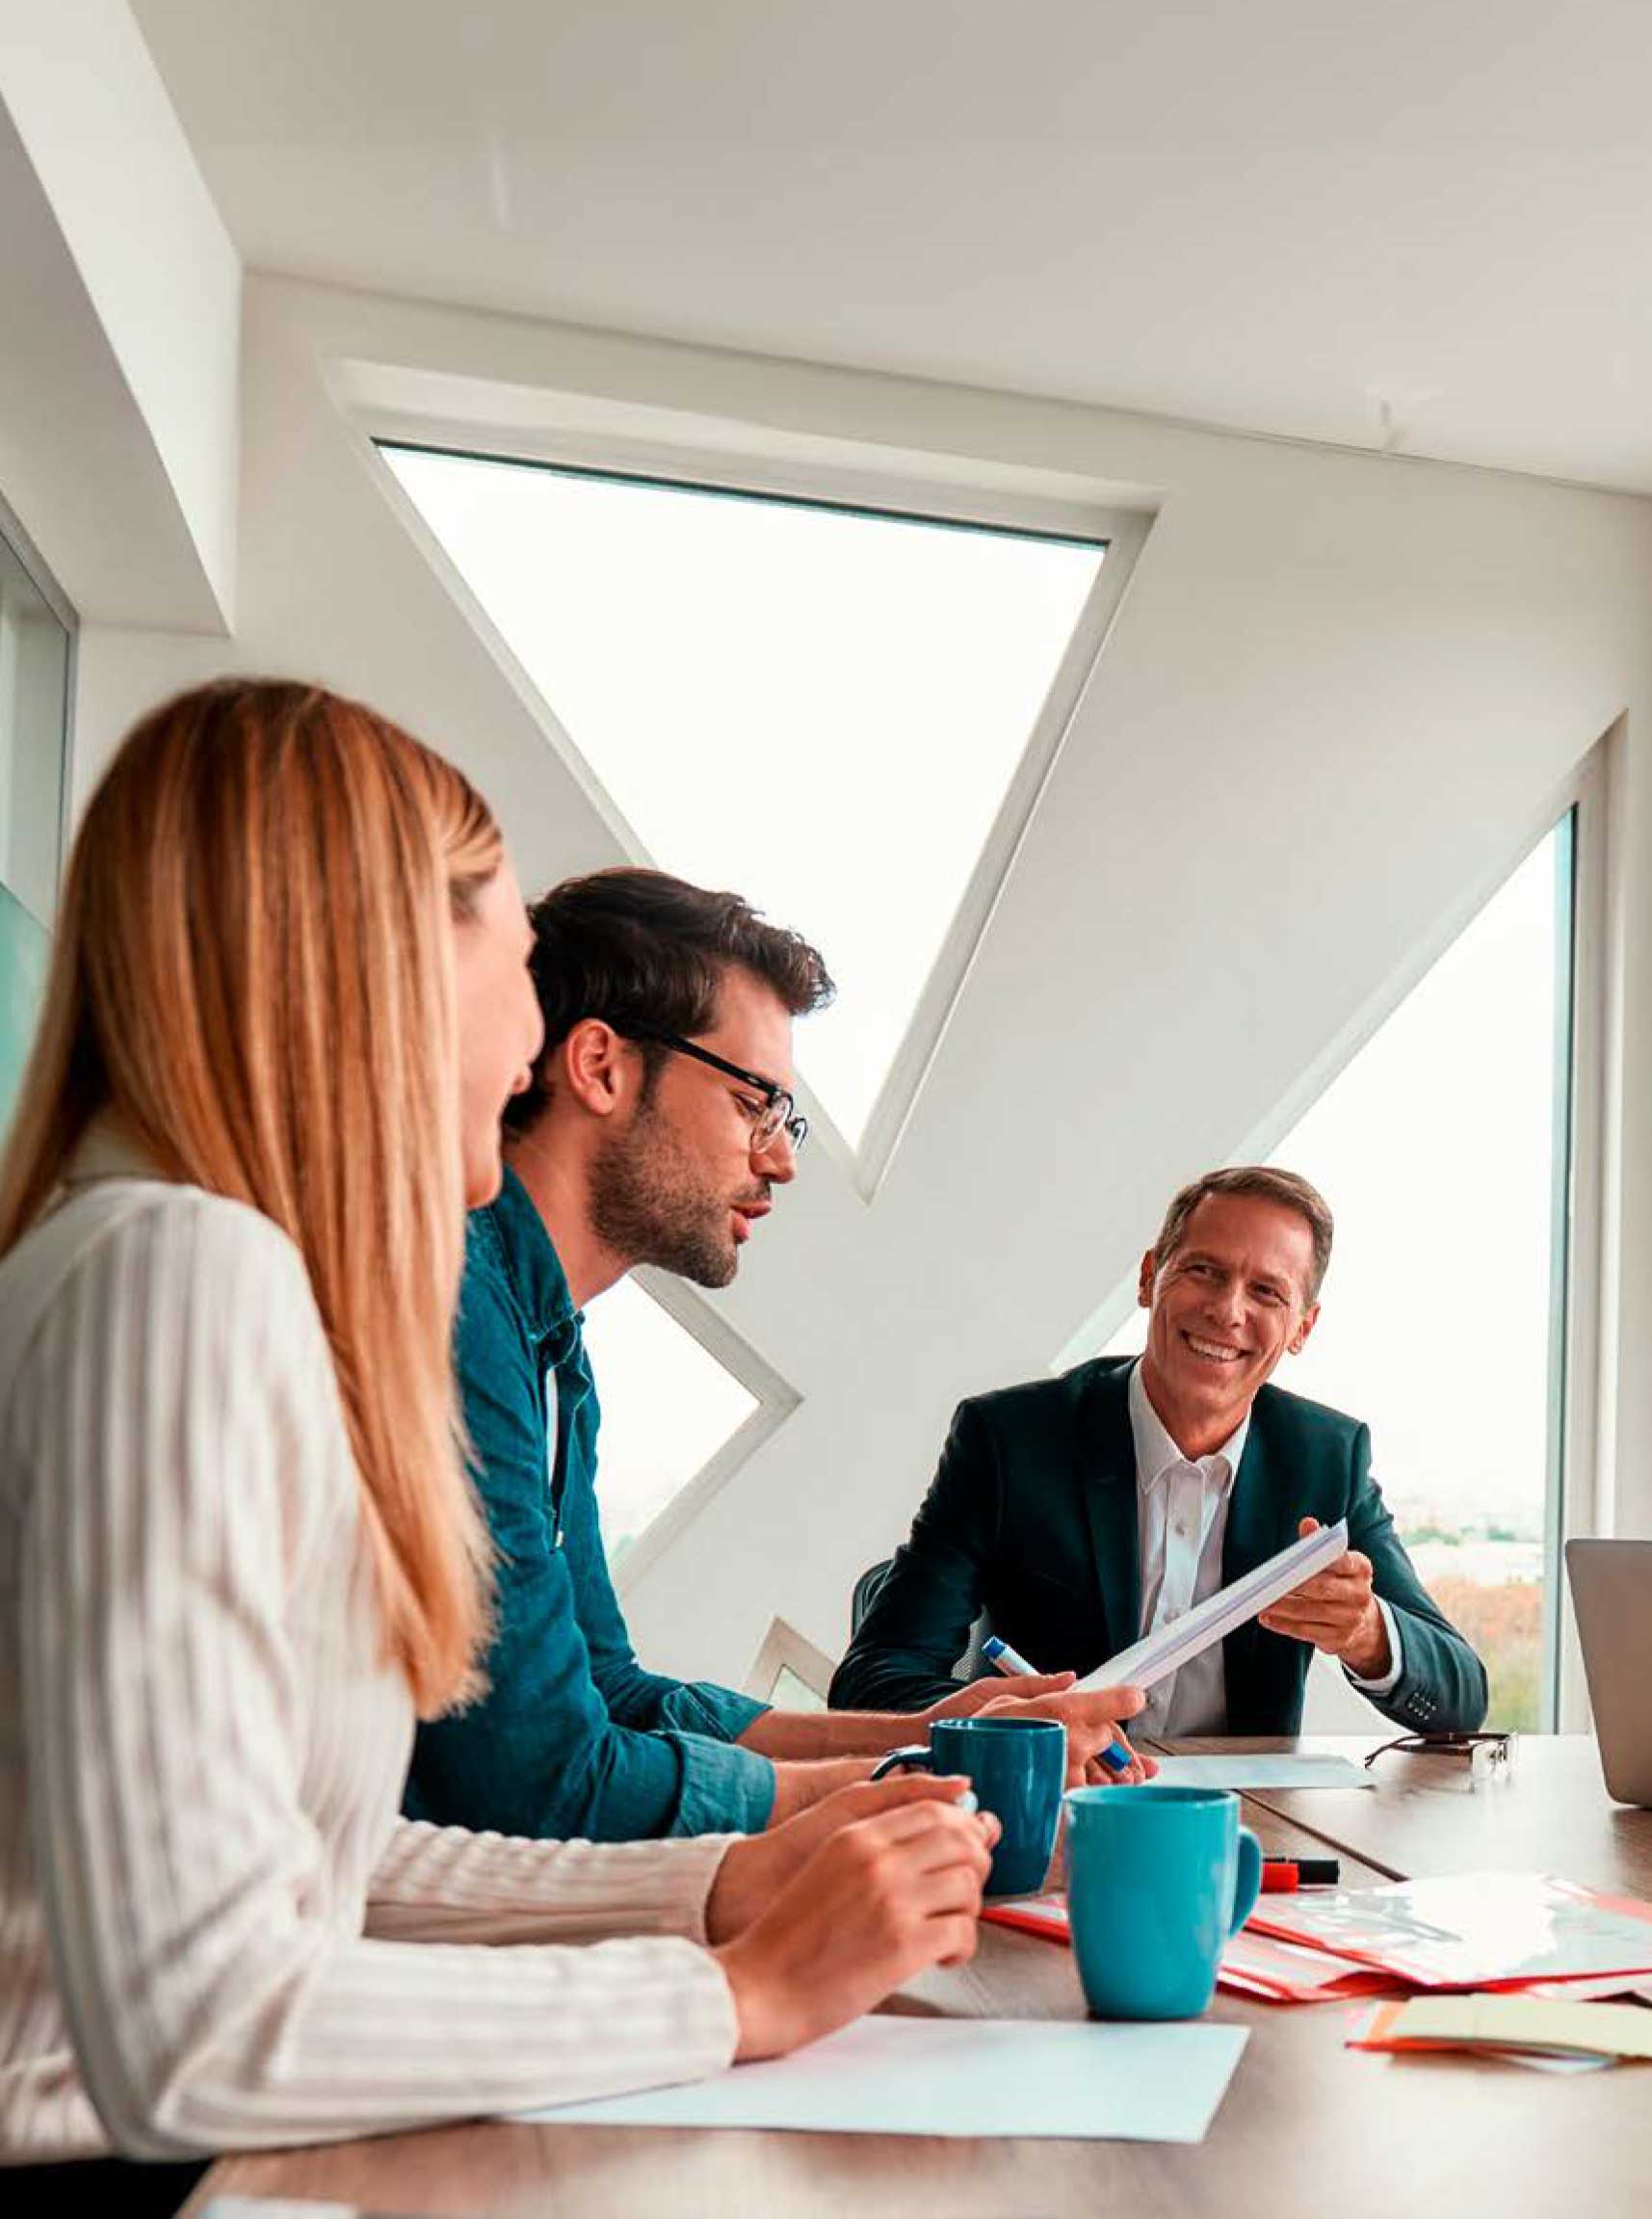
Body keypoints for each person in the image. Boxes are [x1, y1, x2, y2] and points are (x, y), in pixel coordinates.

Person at [0, 680, 995, 2192]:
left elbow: (320, 1875)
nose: (526, 1024)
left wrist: (722, 1884)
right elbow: (193, 2020)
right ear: (373, 963)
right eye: (504, 950)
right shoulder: (179, 1273)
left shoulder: (169, 1255)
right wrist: (736, 1993)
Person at [402, 869, 1141, 1845]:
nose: (780, 1156)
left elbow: (610, 1689)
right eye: (756, 1102)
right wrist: (905, 1774)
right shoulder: (458, 1302)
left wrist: (929, 1730)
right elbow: (539, 1782)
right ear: (600, 1066)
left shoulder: (550, 1350)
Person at [832, 1166, 1488, 1738]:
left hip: (1239, 1824)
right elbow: (875, 1678)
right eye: (1204, 1271)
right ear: (1150, 1278)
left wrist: (1367, 1634)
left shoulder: (1327, 1457)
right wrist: (1007, 1726)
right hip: (1054, 1805)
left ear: (1302, 1329)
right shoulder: (1009, 1439)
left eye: (1266, 1292)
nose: (1227, 1310)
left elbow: (1462, 1700)